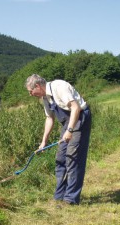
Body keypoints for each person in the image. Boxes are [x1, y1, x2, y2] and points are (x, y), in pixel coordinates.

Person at [25, 74, 92, 206]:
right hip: (68, 123)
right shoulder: (45, 98)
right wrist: (44, 141)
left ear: (37, 86)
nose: (30, 94)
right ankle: (59, 195)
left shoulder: (59, 87)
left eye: (31, 91)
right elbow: (49, 118)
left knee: (73, 158)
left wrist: (70, 130)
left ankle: (70, 199)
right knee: (60, 159)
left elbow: (75, 108)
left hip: (80, 119)